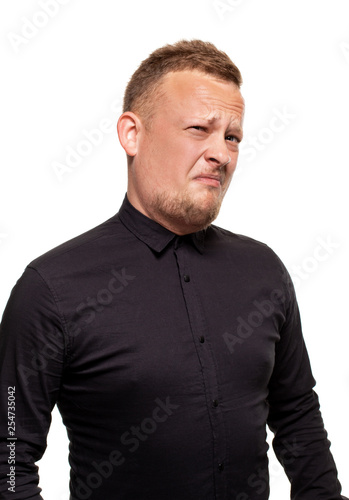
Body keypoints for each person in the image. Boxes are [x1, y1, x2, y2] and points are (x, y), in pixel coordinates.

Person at [0, 39, 346, 500]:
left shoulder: (263, 271)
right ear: (132, 134)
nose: (221, 153)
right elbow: (8, 458)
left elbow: (297, 412)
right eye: (199, 128)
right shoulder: (50, 289)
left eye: (232, 137)